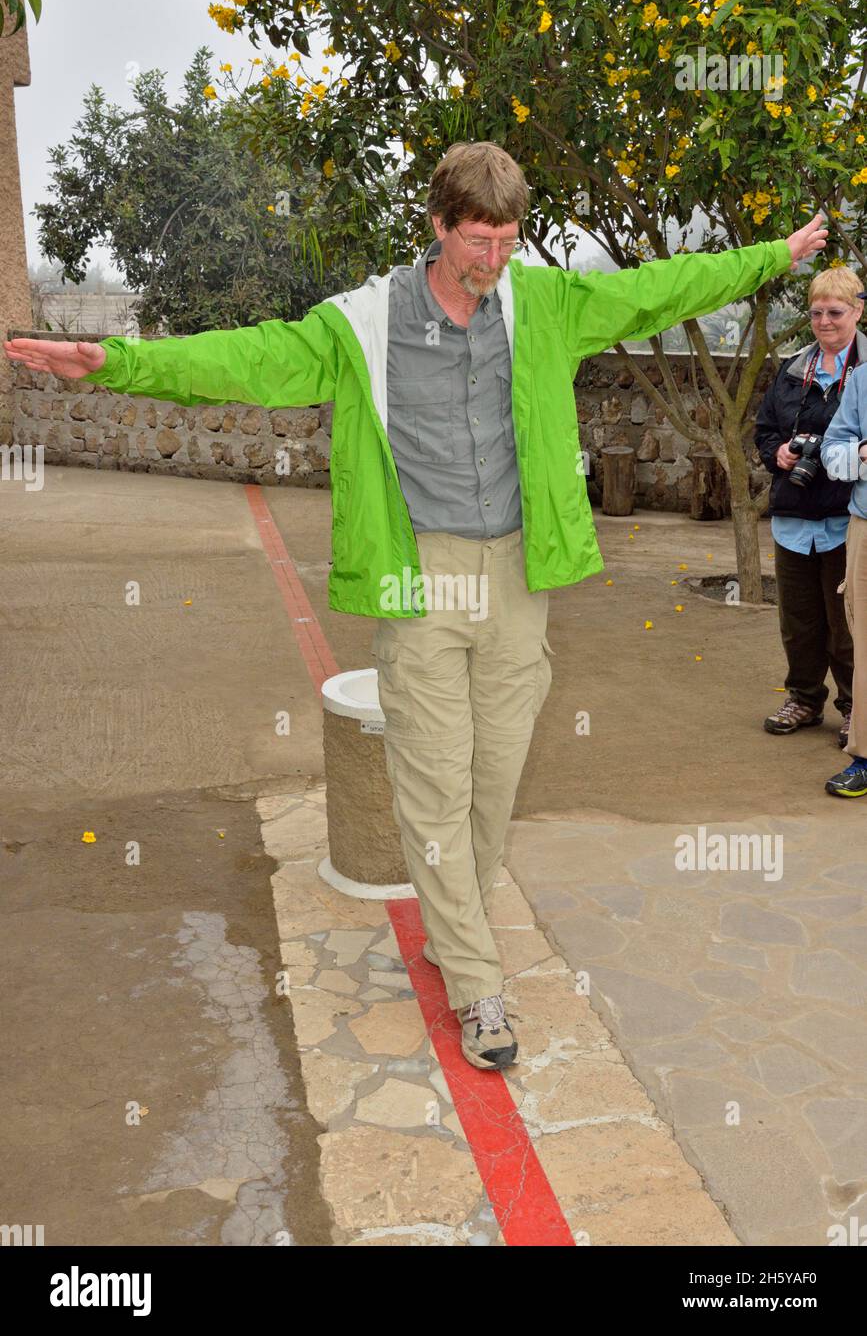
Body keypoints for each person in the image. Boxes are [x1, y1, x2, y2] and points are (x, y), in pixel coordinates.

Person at [3, 142, 828, 1070]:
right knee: (434, 779)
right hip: (419, 575)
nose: (492, 260)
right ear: (437, 226)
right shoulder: (364, 323)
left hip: (519, 573)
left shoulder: (543, 304)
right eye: (477, 240)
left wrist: (772, 257)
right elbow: (247, 359)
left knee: (496, 776)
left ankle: (453, 928)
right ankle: (478, 981)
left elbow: (661, 289)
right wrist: (114, 361)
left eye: (509, 240)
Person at [754, 268, 865, 747]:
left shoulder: (864, 373)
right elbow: (764, 431)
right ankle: (802, 697)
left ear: (857, 311)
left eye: (835, 312)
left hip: (847, 519)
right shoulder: (793, 368)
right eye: (817, 312)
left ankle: (854, 709)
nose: (824, 321)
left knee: (846, 625)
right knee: (798, 621)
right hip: (794, 517)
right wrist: (777, 453)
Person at [821, 359, 867, 795]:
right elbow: (832, 451)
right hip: (865, 526)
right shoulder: (864, 379)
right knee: (866, 645)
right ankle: (865, 758)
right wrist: (861, 454)